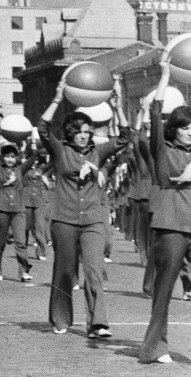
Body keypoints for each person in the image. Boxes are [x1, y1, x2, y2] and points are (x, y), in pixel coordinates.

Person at [38, 73, 129, 338]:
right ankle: (61, 318)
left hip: (92, 220)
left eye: (88, 132)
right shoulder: (59, 150)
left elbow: (124, 138)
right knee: (65, 271)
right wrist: (57, 99)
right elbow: (43, 128)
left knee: (94, 269)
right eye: (79, 132)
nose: (84, 136)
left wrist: (118, 106)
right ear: (70, 132)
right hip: (64, 219)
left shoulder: (98, 152)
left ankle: (98, 322)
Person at [139, 57, 191, 364]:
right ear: (174, 130)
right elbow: (156, 113)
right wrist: (165, 75)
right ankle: (154, 347)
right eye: (186, 128)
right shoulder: (163, 149)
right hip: (171, 227)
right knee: (164, 292)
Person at [0, 143, 37, 282]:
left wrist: (32, 142)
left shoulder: (20, 169)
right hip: (1, 208)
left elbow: (33, 157)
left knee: (21, 241)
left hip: (18, 209)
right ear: (2, 157)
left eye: (12, 156)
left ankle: (23, 271)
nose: (10, 159)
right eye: (7, 156)